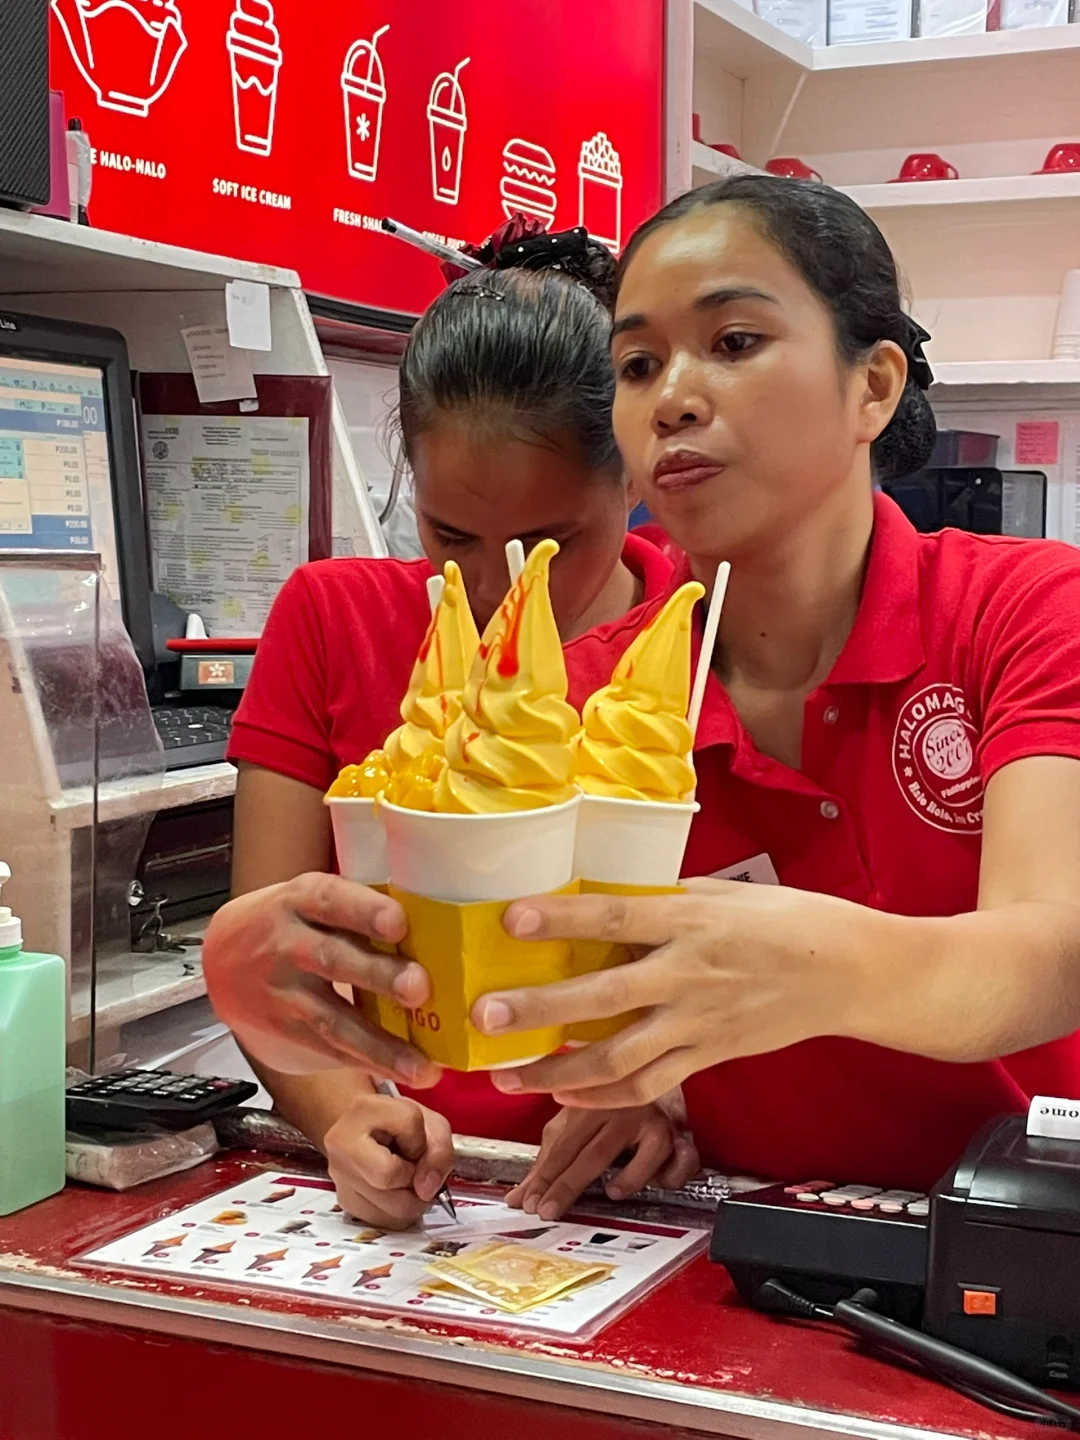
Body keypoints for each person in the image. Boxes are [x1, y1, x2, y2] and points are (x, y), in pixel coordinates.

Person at [462, 176, 1080, 1198]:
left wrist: (819, 966)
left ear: (873, 388)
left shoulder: (1020, 612)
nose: (672, 398)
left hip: (1015, 1254)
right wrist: (644, 1094)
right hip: (744, 1253)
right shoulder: (581, 695)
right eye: (636, 364)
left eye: (735, 342)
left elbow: (1053, 952)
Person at [203, 225, 699, 1229]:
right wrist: (346, 1115)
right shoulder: (333, 619)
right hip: (420, 1199)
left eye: (549, 545)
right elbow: (274, 955)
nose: (492, 589)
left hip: (639, 1212)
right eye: (450, 536)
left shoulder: (698, 642)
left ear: (635, 477)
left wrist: (674, 1097)